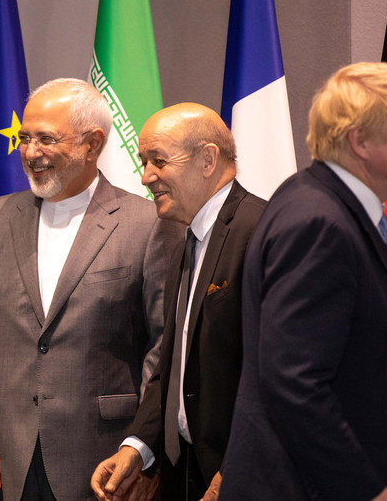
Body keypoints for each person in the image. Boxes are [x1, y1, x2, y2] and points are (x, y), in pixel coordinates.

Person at [219, 62, 387, 501]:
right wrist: (366, 491)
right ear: (360, 141)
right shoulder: (318, 222)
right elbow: (294, 383)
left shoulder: (335, 207)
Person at [0, 78, 179, 501]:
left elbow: (163, 347)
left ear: (93, 145)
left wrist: (141, 449)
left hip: (106, 459)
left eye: (46, 139)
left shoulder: (148, 225)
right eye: (24, 138)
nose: (30, 153)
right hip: (9, 459)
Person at [91, 103, 266, 501]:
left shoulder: (261, 232)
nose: (145, 176)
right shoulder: (185, 242)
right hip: (182, 474)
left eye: (159, 161)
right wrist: (136, 448)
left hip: (239, 479)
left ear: (208, 159)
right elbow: (170, 367)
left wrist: (234, 468)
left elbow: (271, 375)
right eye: (143, 161)